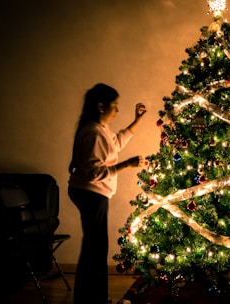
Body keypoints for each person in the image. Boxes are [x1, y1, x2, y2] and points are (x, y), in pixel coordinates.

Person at [68, 83, 147, 304]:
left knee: (95, 247)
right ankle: (91, 299)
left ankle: (92, 298)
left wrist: (137, 120)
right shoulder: (92, 132)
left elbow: (116, 142)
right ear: (101, 106)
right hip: (91, 193)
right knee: (95, 249)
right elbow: (94, 173)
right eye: (115, 106)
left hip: (93, 193)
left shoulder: (100, 129)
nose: (117, 111)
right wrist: (126, 165)